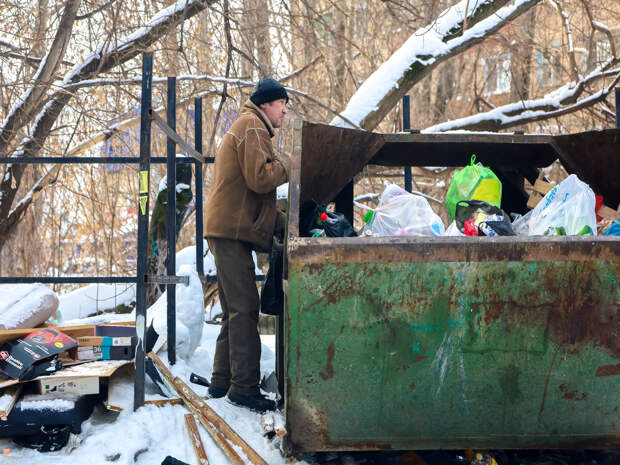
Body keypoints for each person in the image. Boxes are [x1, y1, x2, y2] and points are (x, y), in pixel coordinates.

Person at [204, 78, 290, 412]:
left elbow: (252, 185)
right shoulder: (253, 126)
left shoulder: (249, 125)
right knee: (244, 310)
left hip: (227, 230)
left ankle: (221, 380)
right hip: (231, 232)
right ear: (267, 103)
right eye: (282, 102)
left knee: (233, 310)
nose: (284, 109)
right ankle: (244, 388)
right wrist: (289, 165)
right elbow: (260, 178)